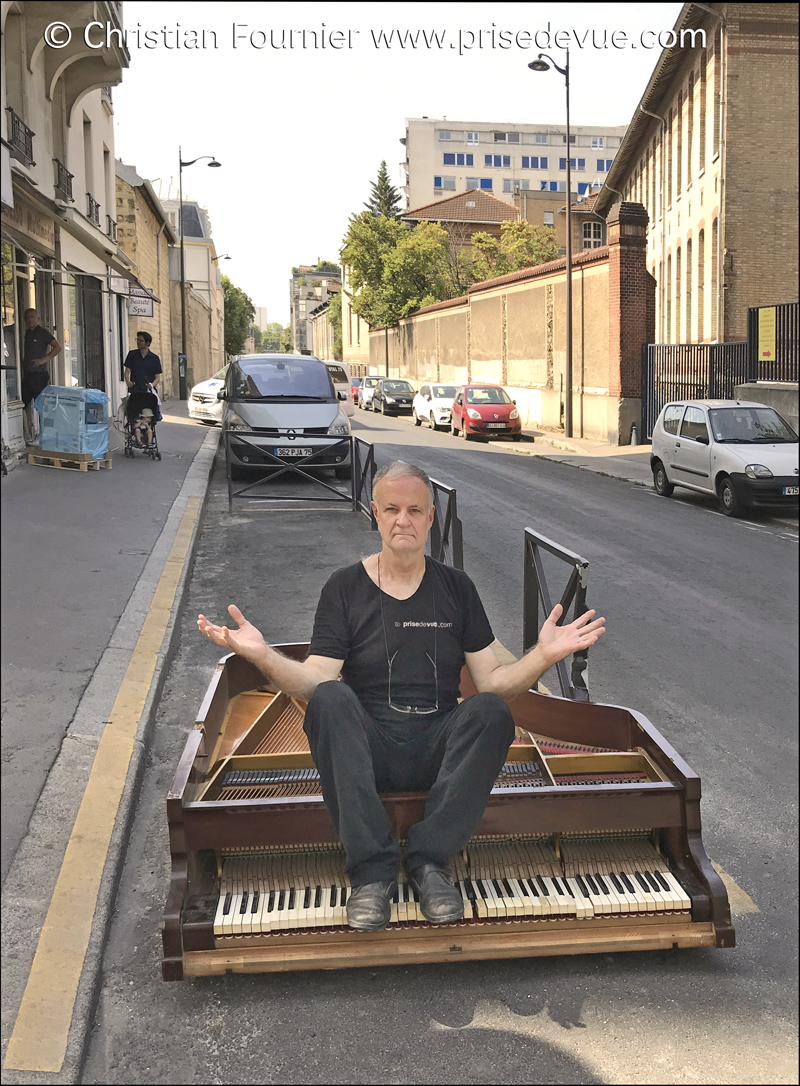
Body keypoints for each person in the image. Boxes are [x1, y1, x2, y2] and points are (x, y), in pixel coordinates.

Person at [197, 461, 605, 933]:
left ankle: (431, 863)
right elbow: (314, 681)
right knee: (330, 699)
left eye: (414, 510)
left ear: (432, 518)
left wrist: (542, 655)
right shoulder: (343, 588)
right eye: (391, 509)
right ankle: (371, 874)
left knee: (491, 711)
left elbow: (492, 683)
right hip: (368, 751)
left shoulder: (457, 589)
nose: (402, 520)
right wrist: (263, 655)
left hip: (438, 748)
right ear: (375, 513)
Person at [21, 309, 62, 444]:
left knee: (42, 406)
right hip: (27, 375)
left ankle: (45, 436)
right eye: (28, 317)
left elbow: (57, 347)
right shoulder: (25, 334)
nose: (30, 319)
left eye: (33, 317)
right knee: (23, 403)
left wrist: (44, 359)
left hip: (39, 375)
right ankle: (27, 434)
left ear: (38, 318)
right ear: (24, 319)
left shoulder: (42, 333)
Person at [123, 331, 162, 419]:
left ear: (147, 343)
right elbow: (127, 371)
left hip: (148, 390)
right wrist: (128, 382)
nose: (138, 343)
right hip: (136, 388)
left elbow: (157, 377)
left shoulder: (154, 358)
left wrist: (152, 385)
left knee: (148, 414)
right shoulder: (132, 355)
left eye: (141, 341)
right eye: (137, 340)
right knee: (134, 413)